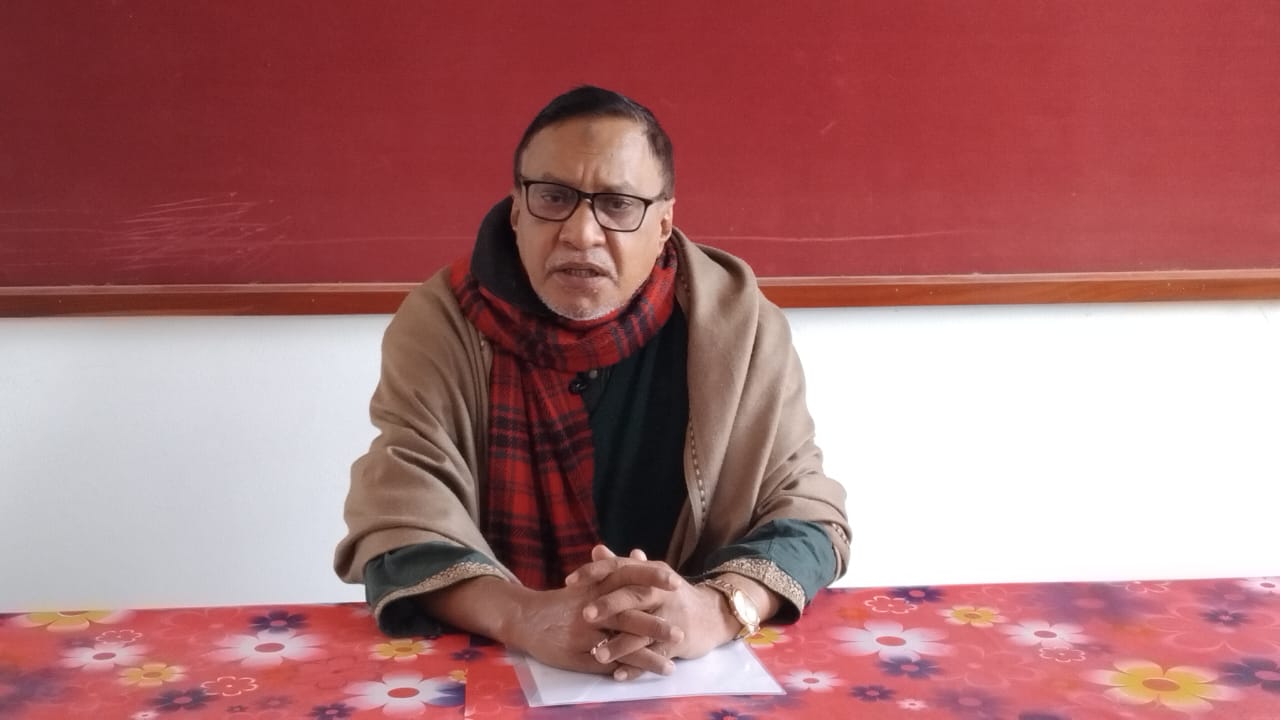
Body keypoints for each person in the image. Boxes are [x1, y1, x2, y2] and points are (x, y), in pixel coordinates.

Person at [334, 86, 850, 681]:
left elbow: (810, 517)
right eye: (553, 197)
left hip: (695, 673)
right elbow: (396, 523)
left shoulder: (740, 326)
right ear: (518, 211)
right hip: (503, 663)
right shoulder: (442, 322)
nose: (581, 233)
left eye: (619, 205)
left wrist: (714, 609)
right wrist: (523, 615)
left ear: (663, 224)